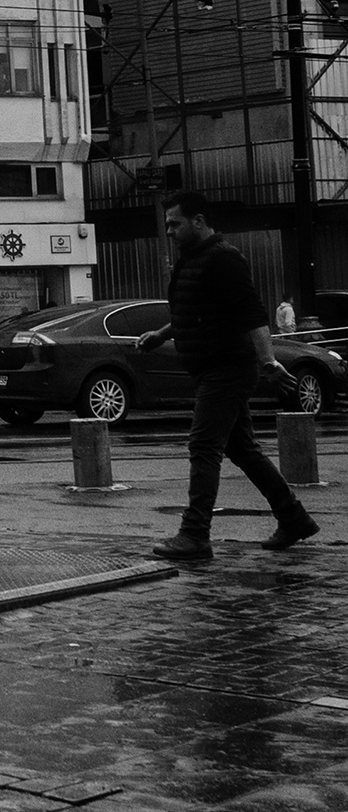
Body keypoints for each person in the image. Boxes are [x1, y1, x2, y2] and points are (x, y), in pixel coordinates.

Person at [138, 193, 318, 557]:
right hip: (210, 368)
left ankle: (194, 534)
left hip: (227, 368)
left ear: (199, 221)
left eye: (175, 224)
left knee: (204, 446)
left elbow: (251, 313)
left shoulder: (224, 258)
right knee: (243, 450)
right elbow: (198, 310)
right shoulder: (193, 258)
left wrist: (268, 360)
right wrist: (161, 334)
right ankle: (293, 518)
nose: (169, 231)